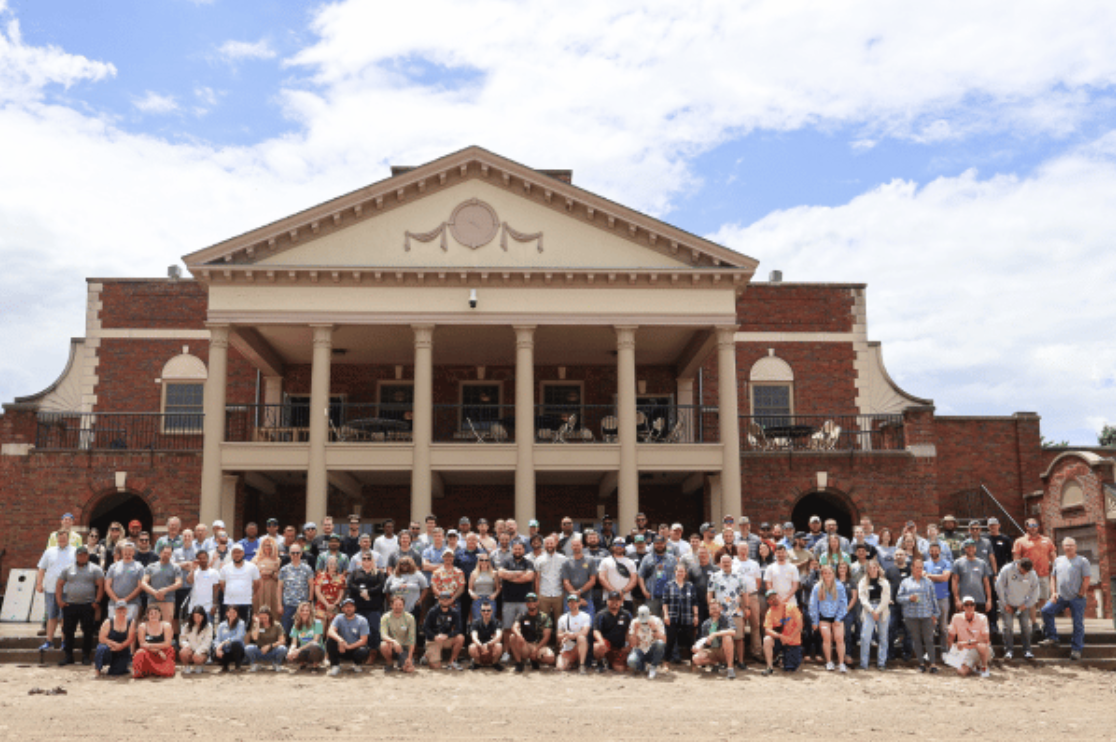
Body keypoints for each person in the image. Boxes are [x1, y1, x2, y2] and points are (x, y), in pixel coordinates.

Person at [1040, 537, 1091, 660]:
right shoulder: (1058, 560)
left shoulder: (1082, 561)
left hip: (1076, 598)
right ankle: (1052, 637)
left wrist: (1081, 593)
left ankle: (1076, 649)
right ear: (1063, 547)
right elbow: (1053, 577)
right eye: (1067, 545)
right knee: (1046, 610)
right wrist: (1053, 593)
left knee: (1078, 624)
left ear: (1076, 547)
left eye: (1071, 545)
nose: (1069, 547)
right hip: (1061, 597)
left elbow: (1087, 578)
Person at [55, 545, 105, 665]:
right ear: (76, 556)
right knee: (68, 631)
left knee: (88, 632)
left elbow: (101, 586)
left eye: (84, 555)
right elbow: (59, 584)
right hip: (70, 605)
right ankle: (68, 656)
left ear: (88, 556)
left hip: (88, 605)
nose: (82, 557)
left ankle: (86, 656)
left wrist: (97, 601)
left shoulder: (95, 569)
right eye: (80, 555)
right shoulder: (68, 569)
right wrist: (59, 601)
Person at [1014, 519, 1058, 640]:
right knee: (1031, 601)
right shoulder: (1020, 541)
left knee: (1043, 599)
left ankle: (1045, 623)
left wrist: (1056, 568)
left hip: (1043, 574)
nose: (1033, 527)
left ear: (1038, 527)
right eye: (1030, 525)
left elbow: (1053, 555)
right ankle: (1034, 624)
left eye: (1035, 525)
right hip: (1027, 575)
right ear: (1026, 527)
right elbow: (1016, 559)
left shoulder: (1046, 540)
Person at [897, 556, 941, 673]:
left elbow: (933, 599)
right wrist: (909, 598)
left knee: (929, 640)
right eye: (916, 567)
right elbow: (898, 598)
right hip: (911, 616)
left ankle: (932, 664)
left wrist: (935, 614)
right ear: (912, 568)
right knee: (916, 640)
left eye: (921, 568)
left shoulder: (928, 582)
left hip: (926, 615)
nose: (918, 570)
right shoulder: (905, 582)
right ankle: (921, 663)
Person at [36, 529, 76, 651]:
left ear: (68, 538)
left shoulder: (74, 551)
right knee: (51, 616)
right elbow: (41, 569)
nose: (61, 540)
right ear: (57, 539)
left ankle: (64, 642)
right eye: (60, 537)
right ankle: (49, 641)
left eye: (64, 537)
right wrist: (39, 584)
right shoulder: (49, 552)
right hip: (50, 589)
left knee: (65, 618)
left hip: (67, 590)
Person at [708, 553, 748, 670]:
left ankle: (740, 661)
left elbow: (744, 593)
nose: (726, 564)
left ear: (731, 563)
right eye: (723, 562)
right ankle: (725, 661)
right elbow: (709, 593)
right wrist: (711, 608)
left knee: (739, 638)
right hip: (720, 613)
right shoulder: (714, 576)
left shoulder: (739, 576)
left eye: (728, 562)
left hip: (736, 611)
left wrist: (747, 607)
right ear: (720, 564)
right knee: (722, 638)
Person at [808, 564, 848, 672]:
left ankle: (841, 663)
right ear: (822, 574)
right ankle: (829, 662)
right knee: (827, 639)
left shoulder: (839, 586)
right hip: (823, 617)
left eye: (829, 573)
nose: (827, 575)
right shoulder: (817, 587)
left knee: (839, 638)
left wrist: (838, 618)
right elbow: (813, 605)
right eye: (825, 573)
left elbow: (843, 604)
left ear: (833, 574)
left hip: (836, 616)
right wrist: (815, 620)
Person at [996, 557, 1039, 659]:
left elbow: (1035, 592)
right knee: (1008, 627)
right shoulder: (1006, 570)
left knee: (1025, 626)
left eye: (1027, 572)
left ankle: (1027, 650)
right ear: (1018, 565)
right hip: (1007, 603)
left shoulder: (1032, 574)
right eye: (1023, 571)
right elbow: (999, 587)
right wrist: (1005, 604)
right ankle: (1009, 651)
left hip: (1023, 604)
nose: (1025, 574)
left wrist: (1026, 605)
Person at [857, 559, 891, 670]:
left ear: (878, 568)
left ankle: (881, 663)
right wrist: (872, 611)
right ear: (867, 569)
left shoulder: (884, 582)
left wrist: (877, 611)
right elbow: (862, 598)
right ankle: (864, 664)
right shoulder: (863, 582)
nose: (873, 570)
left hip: (882, 609)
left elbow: (886, 598)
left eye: (875, 567)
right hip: (868, 610)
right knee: (865, 637)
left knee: (883, 637)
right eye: (870, 568)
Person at [349, 552, 386, 656]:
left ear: (372, 560)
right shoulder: (355, 572)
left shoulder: (378, 573)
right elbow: (350, 584)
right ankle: (359, 653)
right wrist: (361, 592)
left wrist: (368, 592)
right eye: (364, 559)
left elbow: (381, 586)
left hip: (374, 606)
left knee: (374, 629)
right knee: (359, 630)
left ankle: (373, 653)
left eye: (368, 559)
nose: (366, 561)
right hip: (359, 607)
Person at [385, 556, 429, 641]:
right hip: (397, 608)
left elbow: (425, 588)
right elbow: (386, 590)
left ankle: (413, 650)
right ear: (398, 565)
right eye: (402, 563)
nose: (404, 565)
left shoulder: (417, 574)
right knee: (396, 630)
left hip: (412, 607)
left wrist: (420, 600)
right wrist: (390, 602)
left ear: (411, 564)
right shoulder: (393, 575)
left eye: (407, 563)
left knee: (412, 630)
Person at [662, 563, 698, 665]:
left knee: (690, 641)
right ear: (675, 572)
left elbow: (694, 602)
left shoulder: (690, 586)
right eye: (678, 571)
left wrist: (695, 616)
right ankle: (666, 662)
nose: (680, 573)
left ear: (685, 573)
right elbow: (665, 602)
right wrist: (666, 615)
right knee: (670, 641)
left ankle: (694, 662)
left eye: (682, 571)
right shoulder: (668, 585)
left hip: (687, 618)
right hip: (672, 617)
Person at [691, 600, 737, 679]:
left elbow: (733, 631)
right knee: (695, 658)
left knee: (727, 637)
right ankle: (716, 664)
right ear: (709, 610)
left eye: (716, 608)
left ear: (720, 608)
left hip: (724, 649)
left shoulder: (726, 618)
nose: (714, 610)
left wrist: (715, 634)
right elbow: (703, 640)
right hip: (712, 650)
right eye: (712, 608)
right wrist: (697, 647)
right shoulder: (706, 624)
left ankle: (730, 669)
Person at [761, 590, 803, 675]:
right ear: (769, 602)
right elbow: (767, 630)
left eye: (775, 596)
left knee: (790, 668)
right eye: (771, 598)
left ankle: (782, 658)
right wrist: (780, 636)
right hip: (780, 640)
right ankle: (770, 667)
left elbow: (799, 625)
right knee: (767, 639)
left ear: (779, 596)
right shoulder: (769, 612)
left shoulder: (791, 607)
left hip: (793, 640)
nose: (774, 599)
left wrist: (790, 637)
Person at [509, 593, 554, 672]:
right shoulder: (522, 615)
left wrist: (536, 650)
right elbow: (514, 627)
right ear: (526, 604)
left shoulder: (545, 617)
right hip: (526, 645)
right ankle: (519, 663)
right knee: (512, 636)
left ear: (537, 602)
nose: (531, 604)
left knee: (550, 658)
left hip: (539, 645)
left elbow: (547, 636)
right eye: (529, 602)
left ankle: (535, 661)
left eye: (534, 601)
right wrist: (519, 636)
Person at [948, 595, 991, 677]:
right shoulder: (956, 617)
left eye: (971, 604)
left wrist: (965, 643)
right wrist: (953, 653)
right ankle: (974, 666)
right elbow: (950, 636)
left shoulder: (982, 618)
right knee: (961, 672)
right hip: (964, 651)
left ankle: (984, 667)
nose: (969, 607)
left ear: (975, 606)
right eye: (966, 605)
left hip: (980, 650)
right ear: (963, 606)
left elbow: (985, 639)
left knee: (981, 646)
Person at [496, 541, 535, 630]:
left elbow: (529, 577)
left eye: (520, 549)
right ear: (512, 550)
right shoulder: (506, 562)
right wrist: (521, 573)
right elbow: (501, 574)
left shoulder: (528, 563)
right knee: (507, 628)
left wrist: (509, 577)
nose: (517, 551)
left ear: (524, 550)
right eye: (515, 549)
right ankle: (507, 645)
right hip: (508, 601)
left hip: (524, 601)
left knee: (525, 627)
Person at [142, 544, 183, 628]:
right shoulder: (151, 567)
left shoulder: (176, 567)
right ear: (160, 553)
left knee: (166, 626)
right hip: (152, 601)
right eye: (165, 553)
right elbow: (143, 583)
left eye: (169, 553)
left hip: (168, 601)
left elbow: (179, 583)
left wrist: (165, 590)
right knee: (152, 625)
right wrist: (154, 593)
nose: (167, 555)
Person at [638, 534, 678, 620]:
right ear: (653, 544)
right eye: (657, 543)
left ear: (665, 544)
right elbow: (640, 575)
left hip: (668, 597)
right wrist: (644, 591)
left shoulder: (672, 559)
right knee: (652, 621)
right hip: (652, 596)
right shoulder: (647, 558)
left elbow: (677, 576)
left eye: (661, 543)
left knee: (667, 622)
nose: (659, 545)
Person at [951, 539, 994, 620]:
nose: (970, 549)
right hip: (964, 600)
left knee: (979, 624)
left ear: (975, 548)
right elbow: (954, 582)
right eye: (968, 547)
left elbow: (986, 583)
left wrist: (989, 600)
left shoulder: (982, 563)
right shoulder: (958, 563)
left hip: (980, 599)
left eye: (972, 547)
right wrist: (957, 599)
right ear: (964, 549)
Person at [533, 535, 568, 630]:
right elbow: (537, 578)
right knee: (544, 621)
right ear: (544, 545)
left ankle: (559, 643)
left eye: (551, 543)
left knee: (560, 621)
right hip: (544, 594)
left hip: (558, 594)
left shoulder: (563, 559)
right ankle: (545, 643)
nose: (549, 545)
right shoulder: (539, 560)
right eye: (547, 543)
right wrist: (537, 595)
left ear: (555, 544)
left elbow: (565, 577)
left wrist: (564, 593)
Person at [592, 591, 632, 673]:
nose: (614, 602)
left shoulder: (626, 614)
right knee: (597, 646)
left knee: (620, 669)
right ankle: (600, 663)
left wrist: (628, 644)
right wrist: (601, 641)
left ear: (621, 602)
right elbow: (596, 631)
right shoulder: (601, 614)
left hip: (620, 647)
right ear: (607, 601)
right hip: (606, 646)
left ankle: (610, 663)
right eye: (612, 600)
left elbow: (629, 630)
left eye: (617, 600)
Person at [278, 544, 315, 634]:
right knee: (286, 630)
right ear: (289, 554)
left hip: (303, 605)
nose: (295, 555)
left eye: (297, 553)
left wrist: (310, 602)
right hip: (288, 605)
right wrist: (279, 605)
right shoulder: (284, 569)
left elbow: (311, 585)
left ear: (301, 553)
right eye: (293, 553)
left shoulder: (307, 568)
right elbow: (279, 588)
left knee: (303, 631)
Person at [219, 543, 261, 623]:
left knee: (245, 627)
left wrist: (252, 595)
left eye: (239, 552)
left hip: (245, 602)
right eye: (234, 552)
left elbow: (257, 583)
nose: (237, 555)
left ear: (243, 553)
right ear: (231, 554)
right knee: (230, 626)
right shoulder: (225, 568)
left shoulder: (252, 567)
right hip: (229, 603)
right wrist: (229, 593)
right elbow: (221, 584)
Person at [105, 540, 145, 622]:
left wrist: (125, 600)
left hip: (132, 604)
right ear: (122, 552)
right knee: (113, 627)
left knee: (130, 628)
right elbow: (107, 585)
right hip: (114, 604)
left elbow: (140, 587)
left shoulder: (139, 567)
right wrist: (117, 600)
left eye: (130, 551)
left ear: (134, 552)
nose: (128, 553)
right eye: (125, 551)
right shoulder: (113, 567)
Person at [423, 591, 465, 670]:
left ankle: (452, 662)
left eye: (447, 599)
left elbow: (459, 629)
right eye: (442, 599)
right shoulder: (432, 611)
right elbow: (425, 628)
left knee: (460, 637)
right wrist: (434, 637)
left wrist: (448, 635)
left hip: (446, 639)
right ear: (439, 600)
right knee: (435, 667)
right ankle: (426, 654)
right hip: (434, 640)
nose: (445, 600)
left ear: (451, 600)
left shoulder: (454, 612)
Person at [93, 600, 135, 678]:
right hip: (109, 647)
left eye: (123, 609)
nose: (121, 611)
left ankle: (121, 666)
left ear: (126, 610)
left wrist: (120, 646)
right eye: (119, 609)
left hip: (123, 649)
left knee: (116, 672)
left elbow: (130, 639)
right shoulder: (108, 621)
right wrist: (114, 644)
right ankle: (97, 669)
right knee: (101, 649)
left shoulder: (130, 622)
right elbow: (101, 638)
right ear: (115, 610)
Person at [925, 542, 953, 657]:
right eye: (932, 550)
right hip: (929, 599)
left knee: (943, 627)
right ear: (929, 551)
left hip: (943, 598)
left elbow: (945, 577)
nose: (934, 552)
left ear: (940, 551)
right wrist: (938, 577)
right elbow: (922, 578)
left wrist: (928, 576)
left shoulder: (946, 563)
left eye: (936, 550)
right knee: (929, 627)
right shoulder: (925, 564)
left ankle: (944, 651)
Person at [133, 604, 175, 678]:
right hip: (149, 652)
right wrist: (157, 651)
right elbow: (142, 644)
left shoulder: (166, 625)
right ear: (147, 616)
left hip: (164, 652)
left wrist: (150, 645)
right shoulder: (142, 626)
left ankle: (152, 671)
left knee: (169, 672)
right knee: (140, 653)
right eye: (151, 613)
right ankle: (144, 670)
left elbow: (167, 644)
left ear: (160, 614)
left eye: (156, 613)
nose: (153, 615)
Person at [560, 536, 597, 621]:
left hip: (587, 598)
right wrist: (577, 597)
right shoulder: (566, 562)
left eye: (578, 545)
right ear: (571, 547)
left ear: (582, 545)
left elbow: (592, 580)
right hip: (570, 599)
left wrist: (580, 591)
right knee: (569, 624)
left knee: (588, 624)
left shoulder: (590, 560)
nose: (576, 547)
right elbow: (566, 582)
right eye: (574, 545)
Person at [380, 593, 417, 673]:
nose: (398, 607)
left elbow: (412, 639)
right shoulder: (385, 617)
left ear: (403, 605)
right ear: (391, 605)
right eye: (396, 604)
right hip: (392, 646)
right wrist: (394, 641)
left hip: (405, 648)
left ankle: (402, 663)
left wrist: (409, 658)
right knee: (383, 645)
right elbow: (383, 635)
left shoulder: (410, 618)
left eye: (400, 604)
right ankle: (390, 664)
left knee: (409, 670)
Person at [598, 538, 638, 611]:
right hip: (609, 598)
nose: (619, 547)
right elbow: (602, 578)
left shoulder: (631, 562)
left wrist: (622, 592)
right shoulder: (605, 561)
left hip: (626, 598)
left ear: (625, 547)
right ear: (612, 546)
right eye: (617, 544)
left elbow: (634, 580)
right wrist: (614, 593)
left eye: (622, 545)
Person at [556, 594, 592, 673]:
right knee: (560, 667)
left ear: (579, 603)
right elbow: (559, 636)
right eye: (570, 602)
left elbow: (584, 632)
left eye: (574, 602)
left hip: (578, 646)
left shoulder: (585, 616)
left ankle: (582, 665)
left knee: (581, 638)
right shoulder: (562, 618)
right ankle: (572, 663)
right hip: (568, 648)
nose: (572, 604)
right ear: (568, 604)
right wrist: (566, 635)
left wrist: (571, 635)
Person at [628, 604, 666, 679]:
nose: (644, 623)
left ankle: (653, 667)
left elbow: (664, 640)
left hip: (651, 649)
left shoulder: (657, 620)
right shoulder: (634, 622)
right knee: (631, 662)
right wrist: (635, 631)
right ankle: (643, 667)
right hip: (640, 650)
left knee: (660, 644)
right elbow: (632, 644)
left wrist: (654, 629)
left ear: (650, 614)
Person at [245, 605, 288, 672]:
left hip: (273, 651)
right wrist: (258, 623)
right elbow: (254, 638)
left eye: (265, 617)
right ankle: (255, 664)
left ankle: (276, 664)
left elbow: (282, 641)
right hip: (260, 650)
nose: (264, 620)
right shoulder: (257, 625)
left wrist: (270, 646)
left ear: (270, 616)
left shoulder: (277, 625)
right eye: (261, 618)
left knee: (282, 649)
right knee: (248, 648)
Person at [287, 601, 326, 670]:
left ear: (310, 612)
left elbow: (315, 641)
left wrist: (299, 650)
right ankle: (302, 663)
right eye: (302, 610)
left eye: (307, 610)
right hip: (303, 652)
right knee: (291, 653)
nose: (304, 612)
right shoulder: (296, 625)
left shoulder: (318, 623)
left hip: (317, 652)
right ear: (299, 612)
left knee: (314, 645)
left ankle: (315, 665)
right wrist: (291, 651)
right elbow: (294, 643)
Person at [468, 600, 504, 670]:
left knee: (499, 645)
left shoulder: (497, 622)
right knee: (472, 647)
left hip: (491, 649)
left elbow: (499, 636)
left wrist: (488, 644)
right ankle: (477, 663)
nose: (486, 612)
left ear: (491, 611)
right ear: (481, 612)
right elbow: (474, 637)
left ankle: (495, 663)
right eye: (484, 610)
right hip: (480, 649)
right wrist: (481, 646)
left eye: (488, 610)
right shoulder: (475, 623)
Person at [252, 536, 283, 617]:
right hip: (259, 587)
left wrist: (271, 574)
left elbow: (281, 577)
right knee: (258, 609)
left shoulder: (278, 560)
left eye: (270, 545)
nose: (267, 547)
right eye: (265, 545)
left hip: (272, 587)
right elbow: (250, 575)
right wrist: (260, 574)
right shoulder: (256, 559)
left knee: (272, 610)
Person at [178, 606, 213, 674]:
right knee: (183, 652)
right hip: (190, 649)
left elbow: (207, 642)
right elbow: (182, 639)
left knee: (198, 658)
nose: (197, 619)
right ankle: (187, 666)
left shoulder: (208, 626)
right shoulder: (187, 625)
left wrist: (198, 652)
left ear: (203, 616)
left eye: (199, 616)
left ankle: (199, 665)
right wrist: (186, 645)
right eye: (195, 617)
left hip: (201, 652)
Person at [468, 552, 501, 621]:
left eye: (486, 560)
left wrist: (494, 595)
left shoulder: (494, 573)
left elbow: (498, 588)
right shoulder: (474, 573)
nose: (484, 562)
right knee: (477, 620)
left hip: (490, 599)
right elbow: (470, 589)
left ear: (489, 561)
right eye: (481, 560)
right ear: (478, 561)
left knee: (490, 621)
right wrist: (472, 594)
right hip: (478, 599)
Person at [313, 554, 347, 622]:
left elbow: (341, 593)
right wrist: (327, 604)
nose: (332, 566)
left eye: (334, 564)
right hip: (320, 607)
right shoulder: (320, 576)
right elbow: (317, 592)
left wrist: (334, 605)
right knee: (318, 629)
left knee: (332, 629)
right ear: (327, 565)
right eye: (330, 563)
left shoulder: (341, 577)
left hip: (335, 607)